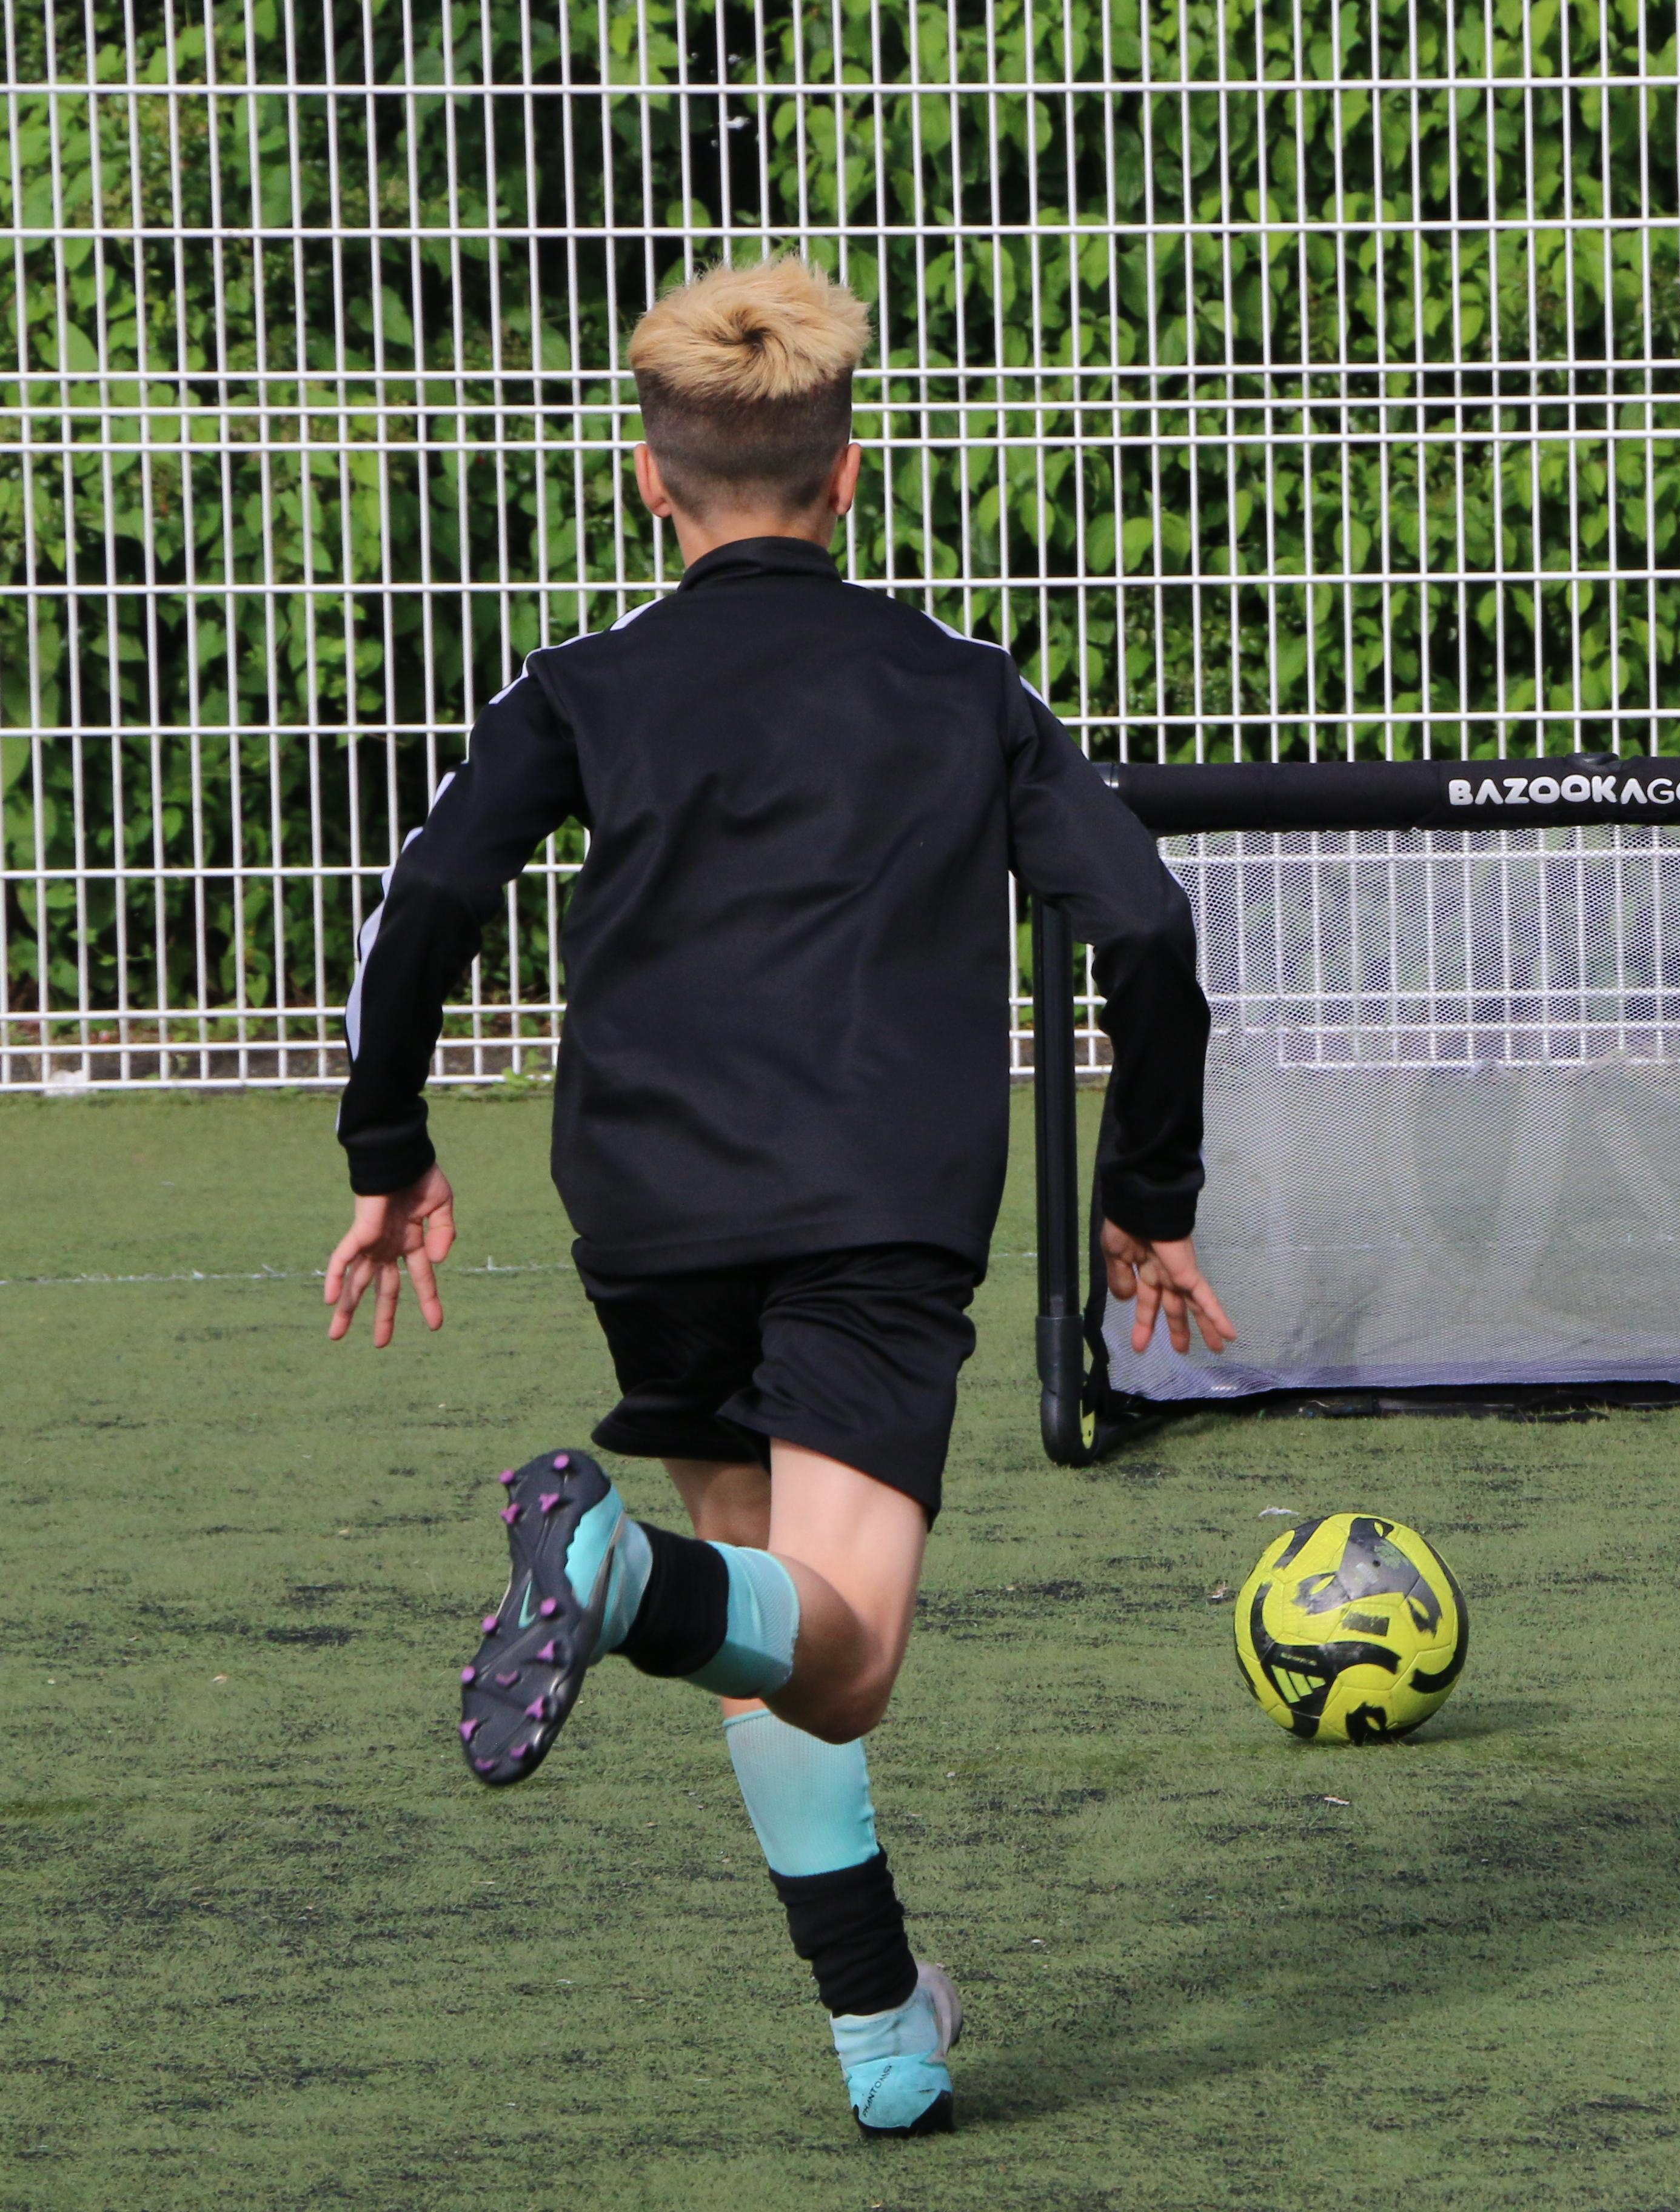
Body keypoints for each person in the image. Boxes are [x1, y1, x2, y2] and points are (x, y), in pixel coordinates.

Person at [319, 256, 1235, 2140]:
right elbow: (1141, 922)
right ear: (847, 475)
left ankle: (882, 2027)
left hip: (645, 1204)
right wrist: (1148, 1187)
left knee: (769, 1621)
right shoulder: (962, 689)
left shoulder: (582, 687)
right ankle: (607, 1570)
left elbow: (425, 900)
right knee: (851, 1657)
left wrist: (388, 1146)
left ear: (651, 484)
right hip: (871, 1209)